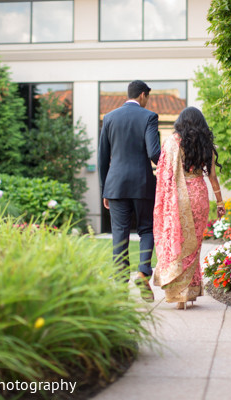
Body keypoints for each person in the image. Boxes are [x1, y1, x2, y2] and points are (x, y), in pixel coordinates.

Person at [153, 106, 225, 310]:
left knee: (179, 242)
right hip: (199, 195)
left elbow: (163, 174)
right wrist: (220, 203)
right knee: (194, 245)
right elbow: (212, 177)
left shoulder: (171, 143)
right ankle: (188, 292)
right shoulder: (206, 144)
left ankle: (180, 294)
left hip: (179, 198)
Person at [98, 80, 161, 302]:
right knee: (146, 229)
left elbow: (102, 158)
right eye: (148, 98)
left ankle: (120, 288)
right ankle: (143, 272)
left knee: (119, 235)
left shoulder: (110, 118)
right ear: (143, 95)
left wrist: (105, 190)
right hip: (142, 184)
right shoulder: (149, 117)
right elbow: (154, 152)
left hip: (115, 186)